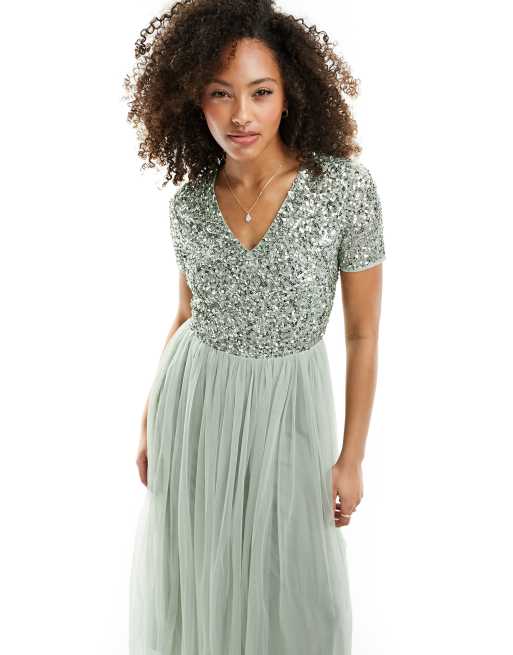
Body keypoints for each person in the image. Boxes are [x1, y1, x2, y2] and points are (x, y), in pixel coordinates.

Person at [123, 1, 385, 653]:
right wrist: (150, 418)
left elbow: (361, 334)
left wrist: (351, 458)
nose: (241, 114)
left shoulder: (344, 189)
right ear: (194, 98)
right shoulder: (188, 204)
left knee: (295, 590)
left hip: (291, 409)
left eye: (260, 92)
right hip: (194, 407)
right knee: (203, 580)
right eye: (221, 93)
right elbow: (187, 313)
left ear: (289, 94)